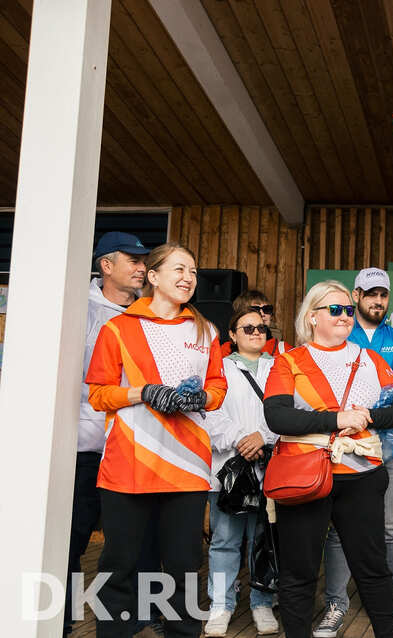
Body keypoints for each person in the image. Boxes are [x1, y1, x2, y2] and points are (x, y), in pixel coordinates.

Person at [85, 242, 227, 637]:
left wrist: (205, 397)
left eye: (194, 272)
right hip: (129, 465)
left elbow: (218, 385)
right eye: (180, 269)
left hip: (187, 468)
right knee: (121, 565)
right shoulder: (119, 328)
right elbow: (98, 394)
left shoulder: (206, 330)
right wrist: (143, 392)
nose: (188, 278)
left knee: (183, 567)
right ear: (153, 276)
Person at [262, 280, 393, 638]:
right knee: (299, 573)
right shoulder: (289, 362)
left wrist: (369, 416)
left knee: (373, 570)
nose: (345, 316)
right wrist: (337, 419)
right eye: (336, 309)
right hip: (305, 478)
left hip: (361, 477)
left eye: (348, 309)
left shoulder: (371, 359)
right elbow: (277, 418)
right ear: (312, 317)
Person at [317, 267, 393, 636]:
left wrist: (372, 426)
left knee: (390, 530)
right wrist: (353, 427)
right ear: (356, 295)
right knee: (338, 530)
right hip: (343, 448)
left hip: (391, 451)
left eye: (384, 295)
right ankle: (335, 604)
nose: (378, 301)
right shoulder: (341, 333)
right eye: (370, 294)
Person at [64, 231, 149, 636]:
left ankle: (133, 619)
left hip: (136, 446)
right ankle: (60, 618)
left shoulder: (149, 312)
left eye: (143, 260)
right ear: (106, 265)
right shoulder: (76, 309)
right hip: (85, 446)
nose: (141, 267)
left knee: (134, 542)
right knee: (74, 537)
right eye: (131, 260)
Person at [203, 309, 280, 636]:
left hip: (270, 468)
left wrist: (263, 436)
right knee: (224, 540)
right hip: (229, 468)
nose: (256, 332)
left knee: (264, 540)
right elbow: (208, 412)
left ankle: (262, 602)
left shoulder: (280, 366)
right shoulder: (218, 366)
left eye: (261, 327)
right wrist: (241, 439)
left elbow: (289, 409)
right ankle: (221, 605)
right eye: (247, 327)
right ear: (232, 334)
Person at [221, 289, 289, 356]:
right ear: (240, 315)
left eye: (267, 309)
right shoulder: (226, 350)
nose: (262, 314)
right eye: (256, 309)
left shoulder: (283, 349)